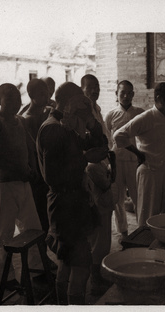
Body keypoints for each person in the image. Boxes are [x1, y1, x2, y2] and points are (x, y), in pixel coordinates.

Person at [36, 81, 108, 305]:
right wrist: (84, 159)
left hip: (73, 202)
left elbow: (101, 142)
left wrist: (90, 121)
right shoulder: (53, 128)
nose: (83, 109)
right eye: (80, 105)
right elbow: (51, 176)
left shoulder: (66, 125)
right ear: (69, 103)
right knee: (80, 264)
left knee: (68, 261)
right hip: (64, 203)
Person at [0, 84, 43, 288]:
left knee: (33, 227)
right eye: (10, 100)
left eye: (18, 100)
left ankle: (37, 267)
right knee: (4, 233)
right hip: (3, 185)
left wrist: (32, 169)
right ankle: (6, 277)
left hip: (22, 182)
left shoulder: (19, 120)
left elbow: (30, 146)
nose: (16, 104)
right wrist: (18, 170)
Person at [114, 82, 165, 226]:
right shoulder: (146, 118)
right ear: (159, 98)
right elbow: (119, 135)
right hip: (151, 173)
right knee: (148, 218)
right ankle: (146, 247)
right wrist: (137, 153)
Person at [105, 80, 144, 239]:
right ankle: (123, 232)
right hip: (117, 161)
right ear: (116, 94)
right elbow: (108, 138)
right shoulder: (111, 115)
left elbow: (143, 137)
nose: (126, 96)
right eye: (122, 93)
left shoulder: (140, 113)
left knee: (138, 196)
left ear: (133, 94)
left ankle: (142, 229)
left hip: (135, 160)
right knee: (118, 198)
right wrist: (109, 161)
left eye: (129, 93)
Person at [21, 79, 50, 232]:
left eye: (47, 94)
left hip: (48, 170)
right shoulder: (28, 119)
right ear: (31, 95)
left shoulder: (46, 113)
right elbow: (35, 148)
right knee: (40, 216)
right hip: (38, 172)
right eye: (41, 94)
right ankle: (41, 254)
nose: (46, 97)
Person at [86, 149, 116, 296]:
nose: (105, 151)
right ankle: (95, 281)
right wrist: (111, 168)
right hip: (99, 208)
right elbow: (106, 184)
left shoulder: (101, 163)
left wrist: (112, 165)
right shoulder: (91, 167)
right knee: (98, 245)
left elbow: (113, 179)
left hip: (106, 205)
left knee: (104, 243)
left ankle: (100, 277)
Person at [81, 74, 111, 146]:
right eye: (89, 87)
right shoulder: (81, 111)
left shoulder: (97, 109)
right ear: (81, 89)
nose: (94, 91)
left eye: (96, 87)